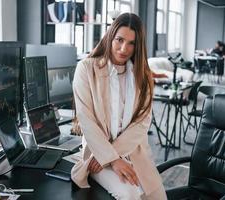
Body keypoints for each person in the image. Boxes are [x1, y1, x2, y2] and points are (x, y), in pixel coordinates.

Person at [71, 13, 167, 200]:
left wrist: (117, 155)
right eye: (119, 40)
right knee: (129, 193)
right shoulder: (86, 69)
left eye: (131, 43)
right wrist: (111, 159)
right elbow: (86, 121)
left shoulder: (144, 75)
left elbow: (141, 124)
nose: (124, 49)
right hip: (98, 155)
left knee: (158, 197)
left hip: (135, 152)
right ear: (110, 36)